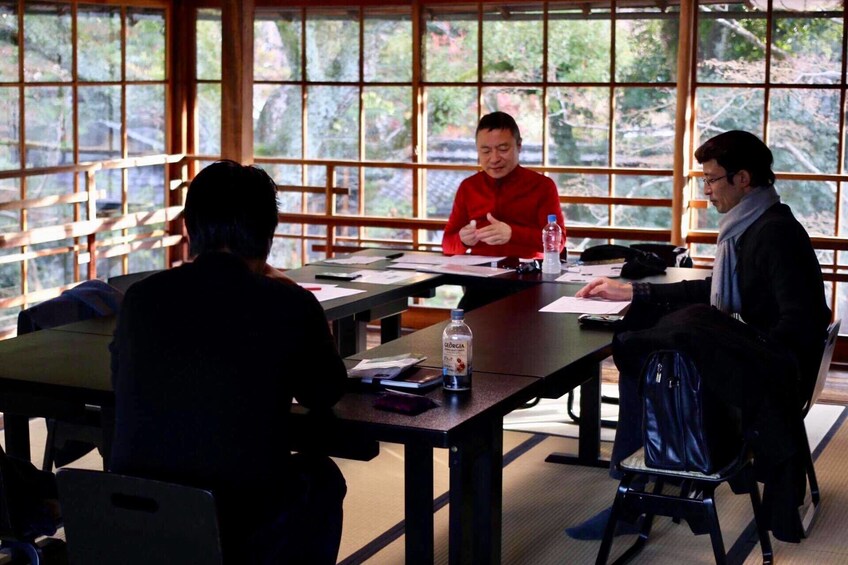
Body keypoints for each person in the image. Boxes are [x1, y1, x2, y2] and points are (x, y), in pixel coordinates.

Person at [566, 130, 830, 543]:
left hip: (778, 374)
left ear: (743, 178)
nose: (706, 190)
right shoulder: (753, 223)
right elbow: (715, 290)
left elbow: (798, 324)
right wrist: (636, 290)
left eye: (711, 179)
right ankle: (665, 491)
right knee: (666, 340)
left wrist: (735, 343)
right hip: (772, 364)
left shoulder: (773, 232)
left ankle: (638, 501)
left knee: (656, 373)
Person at [109, 160, 348, 564]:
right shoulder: (286, 302)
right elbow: (324, 392)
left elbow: (122, 379)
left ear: (189, 226)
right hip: (236, 520)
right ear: (269, 234)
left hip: (135, 514)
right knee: (320, 478)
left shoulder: (141, 298)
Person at [442, 111, 566, 309]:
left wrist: (513, 233)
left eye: (503, 149)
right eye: (485, 151)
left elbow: (558, 244)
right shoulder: (469, 187)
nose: (494, 158)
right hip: (481, 284)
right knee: (464, 325)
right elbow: (447, 245)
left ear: (519, 146)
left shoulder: (542, 186)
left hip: (530, 282)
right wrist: (463, 240)